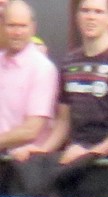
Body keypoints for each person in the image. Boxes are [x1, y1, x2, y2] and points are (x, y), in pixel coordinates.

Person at [7, 0, 108, 197]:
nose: (91, 17)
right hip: (72, 166)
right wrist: (43, 150)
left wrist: (93, 153)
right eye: (86, 11)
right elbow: (64, 121)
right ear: (77, 16)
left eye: (98, 12)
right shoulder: (69, 61)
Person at [0, 0, 57, 157]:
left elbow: (31, 130)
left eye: (22, 26)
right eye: (11, 26)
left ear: (33, 28)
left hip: (26, 163)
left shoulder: (42, 68)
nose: (17, 32)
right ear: (2, 26)